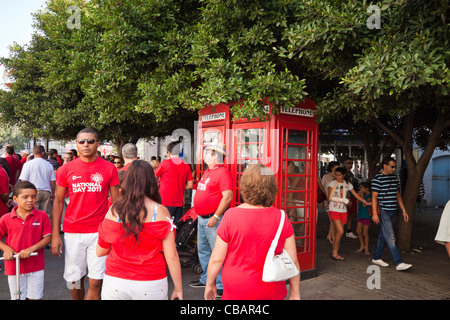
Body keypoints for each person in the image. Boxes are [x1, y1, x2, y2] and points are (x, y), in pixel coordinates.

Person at [204, 164, 300, 300]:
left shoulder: (231, 216)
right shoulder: (282, 217)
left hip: (237, 289)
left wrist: (210, 284)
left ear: (245, 186)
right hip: (272, 289)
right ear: (272, 188)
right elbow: (293, 260)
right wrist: (295, 293)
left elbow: (216, 259)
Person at [96, 160, 183, 300]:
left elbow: (100, 251)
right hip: (151, 282)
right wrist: (178, 288)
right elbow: (171, 256)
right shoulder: (160, 212)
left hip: (116, 281)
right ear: (152, 181)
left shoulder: (114, 211)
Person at [51, 128, 120, 300]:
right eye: (81, 142)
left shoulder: (109, 168)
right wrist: (55, 235)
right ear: (76, 144)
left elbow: (117, 203)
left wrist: (117, 231)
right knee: (74, 280)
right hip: (73, 232)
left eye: (90, 141)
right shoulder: (66, 169)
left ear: (98, 143)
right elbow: (58, 202)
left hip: (100, 233)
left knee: (96, 281)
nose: (86, 145)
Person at [190, 141, 233, 297]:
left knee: (218, 253)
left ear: (215, 156)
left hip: (213, 220)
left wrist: (216, 216)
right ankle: (206, 279)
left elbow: (227, 197)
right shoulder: (209, 171)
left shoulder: (223, 173)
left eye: (207, 153)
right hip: (202, 218)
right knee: (204, 251)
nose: (205, 155)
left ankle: (220, 284)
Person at [0, 181, 52, 300]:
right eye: (25, 197)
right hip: (14, 266)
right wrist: (6, 248)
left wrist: (31, 249)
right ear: (15, 198)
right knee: (18, 298)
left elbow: (47, 238)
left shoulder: (41, 216)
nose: (30, 200)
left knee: (36, 297)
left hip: (35, 265)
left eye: (33, 197)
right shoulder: (6, 219)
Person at [371, 157, 412, 271]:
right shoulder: (377, 179)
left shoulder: (394, 177)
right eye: (392, 167)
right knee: (390, 236)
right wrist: (375, 214)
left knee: (382, 235)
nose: (394, 169)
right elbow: (374, 197)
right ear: (385, 165)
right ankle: (398, 262)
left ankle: (376, 257)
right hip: (383, 211)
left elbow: (398, 195)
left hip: (393, 210)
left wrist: (404, 210)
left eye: (395, 167)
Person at [327, 167, 368, 260]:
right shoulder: (332, 183)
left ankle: (334, 250)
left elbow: (356, 195)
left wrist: (364, 201)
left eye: (339, 175)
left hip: (343, 211)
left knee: (339, 232)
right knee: (341, 231)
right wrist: (345, 200)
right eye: (336, 175)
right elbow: (330, 197)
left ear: (344, 175)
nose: (337, 177)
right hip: (334, 209)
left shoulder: (347, 184)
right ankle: (335, 252)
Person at [155, 140, 193, 223]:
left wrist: (159, 183)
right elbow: (190, 185)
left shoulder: (165, 163)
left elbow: (153, 176)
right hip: (179, 202)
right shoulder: (186, 165)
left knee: (165, 225)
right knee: (175, 226)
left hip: (165, 201)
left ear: (169, 153)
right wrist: (179, 185)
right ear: (179, 152)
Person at [18, 145, 56, 221]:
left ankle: (34, 231)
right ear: (43, 153)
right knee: (46, 215)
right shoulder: (49, 165)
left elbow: (23, 180)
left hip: (32, 192)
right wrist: (53, 193)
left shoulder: (28, 164)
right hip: (46, 191)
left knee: (32, 214)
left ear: (33, 153)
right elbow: (52, 182)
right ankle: (45, 231)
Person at [321, 161, 340, 244]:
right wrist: (322, 201)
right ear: (331, 168)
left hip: (337, 201)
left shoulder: (339, 177)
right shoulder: (326, 177)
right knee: (332, 220)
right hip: (328, 201)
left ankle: (330, 235)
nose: (337, 169)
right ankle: (332, 238)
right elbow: (321, 189)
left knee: (334, 220)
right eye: (336, 168)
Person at [356, 181, 372, 255]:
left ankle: (366, 248)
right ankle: (362, 245)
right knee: (358, 231)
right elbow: (357, 203)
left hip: (366, 216)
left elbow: (365, 205)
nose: (361, 189)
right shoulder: (363, 195)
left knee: (365, 233)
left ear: (367, 188)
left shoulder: (369, 196)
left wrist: (362, 197)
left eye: (362, 188)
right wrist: (358, 197)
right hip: (360, 215)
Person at [344, 157, 358, 239]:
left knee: (351, 215)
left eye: (351, 163)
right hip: (346, 197)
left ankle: (348, 230)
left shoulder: (351, 173)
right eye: (349, 163)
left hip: (352, 196)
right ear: (345, 163)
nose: (350, 164)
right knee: (345, 214)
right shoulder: (343, 173)